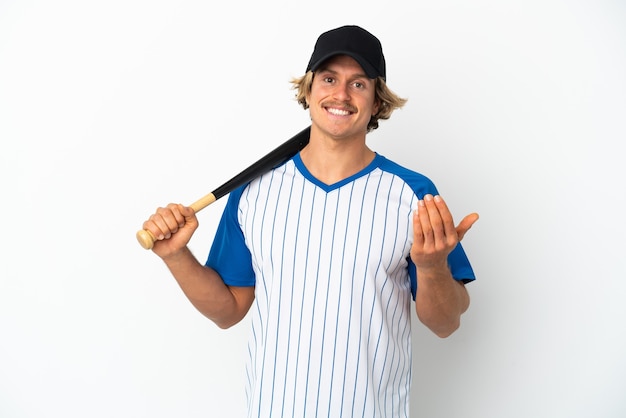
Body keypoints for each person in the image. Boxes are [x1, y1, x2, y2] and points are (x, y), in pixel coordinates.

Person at [141, 25, 479, 418]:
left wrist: (432, 265)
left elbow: (445, 324)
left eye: (358, 84)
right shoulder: (254, 192)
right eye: (329, 79)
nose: (341, 94)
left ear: (377, 102)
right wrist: (176, 256)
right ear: (309, 88)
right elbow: (228, 310)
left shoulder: (414, 195)